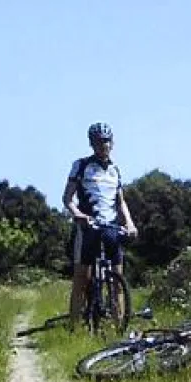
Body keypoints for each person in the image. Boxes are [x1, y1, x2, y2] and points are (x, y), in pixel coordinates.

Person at [62, 122, 138, 328]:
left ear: (112, 143)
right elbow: (67, 198)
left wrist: (130, 224)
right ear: (91, 143)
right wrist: (77, 214)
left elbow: (120, 202)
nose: (102, 145)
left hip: (111, 228)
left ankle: (118, 327)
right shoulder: (82, 165)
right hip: (88, 227)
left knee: (117, 279)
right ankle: (74, 328)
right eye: (98, 142)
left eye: (106, 141)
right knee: (81, 279)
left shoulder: (115, 170)